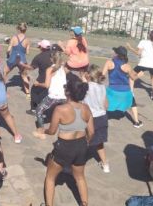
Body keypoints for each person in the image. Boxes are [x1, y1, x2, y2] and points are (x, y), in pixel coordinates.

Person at [44, 75, 94, 206]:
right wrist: (87, 142)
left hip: (64, 147)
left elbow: (52, 131)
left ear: (68, 92)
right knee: (80, 177)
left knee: (50, 177)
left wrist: (42, 131)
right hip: (81, 145)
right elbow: (92, 132)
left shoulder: (60, 109)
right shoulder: (86, 108)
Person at [103, 46, 142, 128]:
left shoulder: (109, 62)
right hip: (125, 92)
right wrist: (139, 75)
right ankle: (137, 122)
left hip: (112, 91)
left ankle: (101, 118)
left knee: (102, 100)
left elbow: (102, 76)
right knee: (133, 102)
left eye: (115, 52)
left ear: (117, 54)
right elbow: (133, 78)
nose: (113, 53)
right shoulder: (127, 66)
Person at [33, 51, 69, 140]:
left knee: (39, 110)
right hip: (63, 97)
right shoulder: (64, 68)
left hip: (53, 97)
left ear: (51, 59)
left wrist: (37, 84)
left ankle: (41, 131)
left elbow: (46, 85)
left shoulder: (49, 69)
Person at [83, 64, 110, 173]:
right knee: (99, 143)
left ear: (88, 74)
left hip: (90, 118)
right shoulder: (102, 87)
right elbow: (106, 105)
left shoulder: (86, 87)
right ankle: (105, 165)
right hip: (102, 117)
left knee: (83, 141)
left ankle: (77, 163)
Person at [126, 30, 153, 99]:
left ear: (149, 36)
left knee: (131, 77)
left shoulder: (143, 42)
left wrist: (130, 48)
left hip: (143, 63)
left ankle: (131, 93)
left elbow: (138, 53)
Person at [26, 40, 55, 115]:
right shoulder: (54, 54)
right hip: (54, 78)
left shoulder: (39, 57)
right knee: (47, 93)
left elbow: (31, 68)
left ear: (41, 47)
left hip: (42, 78)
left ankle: (34, 109)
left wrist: (22, 64)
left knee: (34, 91)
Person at [5, 22, 31, 97]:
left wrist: (8, 55)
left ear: (18, 29)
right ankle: (28, 94)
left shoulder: (14, 37)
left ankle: (3, 91)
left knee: (4, 73)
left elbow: (8, 49)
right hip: (22, 59)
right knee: (24, 76)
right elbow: (28, 52)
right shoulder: (27, 40)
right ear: (25, 30)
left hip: (13, 58)